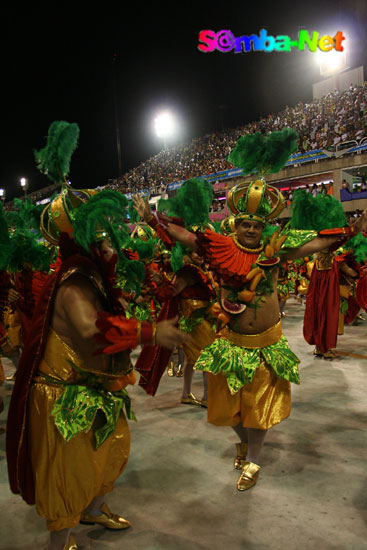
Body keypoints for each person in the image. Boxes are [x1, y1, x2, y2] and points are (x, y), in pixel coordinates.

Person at [134, 130, 367, 492]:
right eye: (245, 224)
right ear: (236, 224)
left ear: (263, 227)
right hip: (231, 340)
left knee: (259, 407)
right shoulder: (219, 246)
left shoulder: (277, 248)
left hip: (267, 342)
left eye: (257, 226)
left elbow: (314, 244)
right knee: (227, 408)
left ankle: (254, 458)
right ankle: (244, 441)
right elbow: (187, 238)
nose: (251, 230)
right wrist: (152, 220)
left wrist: (346, 233)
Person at [6, 124, 187, 550]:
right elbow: (91, 331)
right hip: (64, 395)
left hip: (95, 390)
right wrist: (150, 331)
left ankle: (93, 508)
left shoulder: (91, 274)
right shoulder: (72, 283)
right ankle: (62, 539)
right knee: (68, 474)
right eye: (101, 235)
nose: (111, 242)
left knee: (112, 452)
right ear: (81, 239)